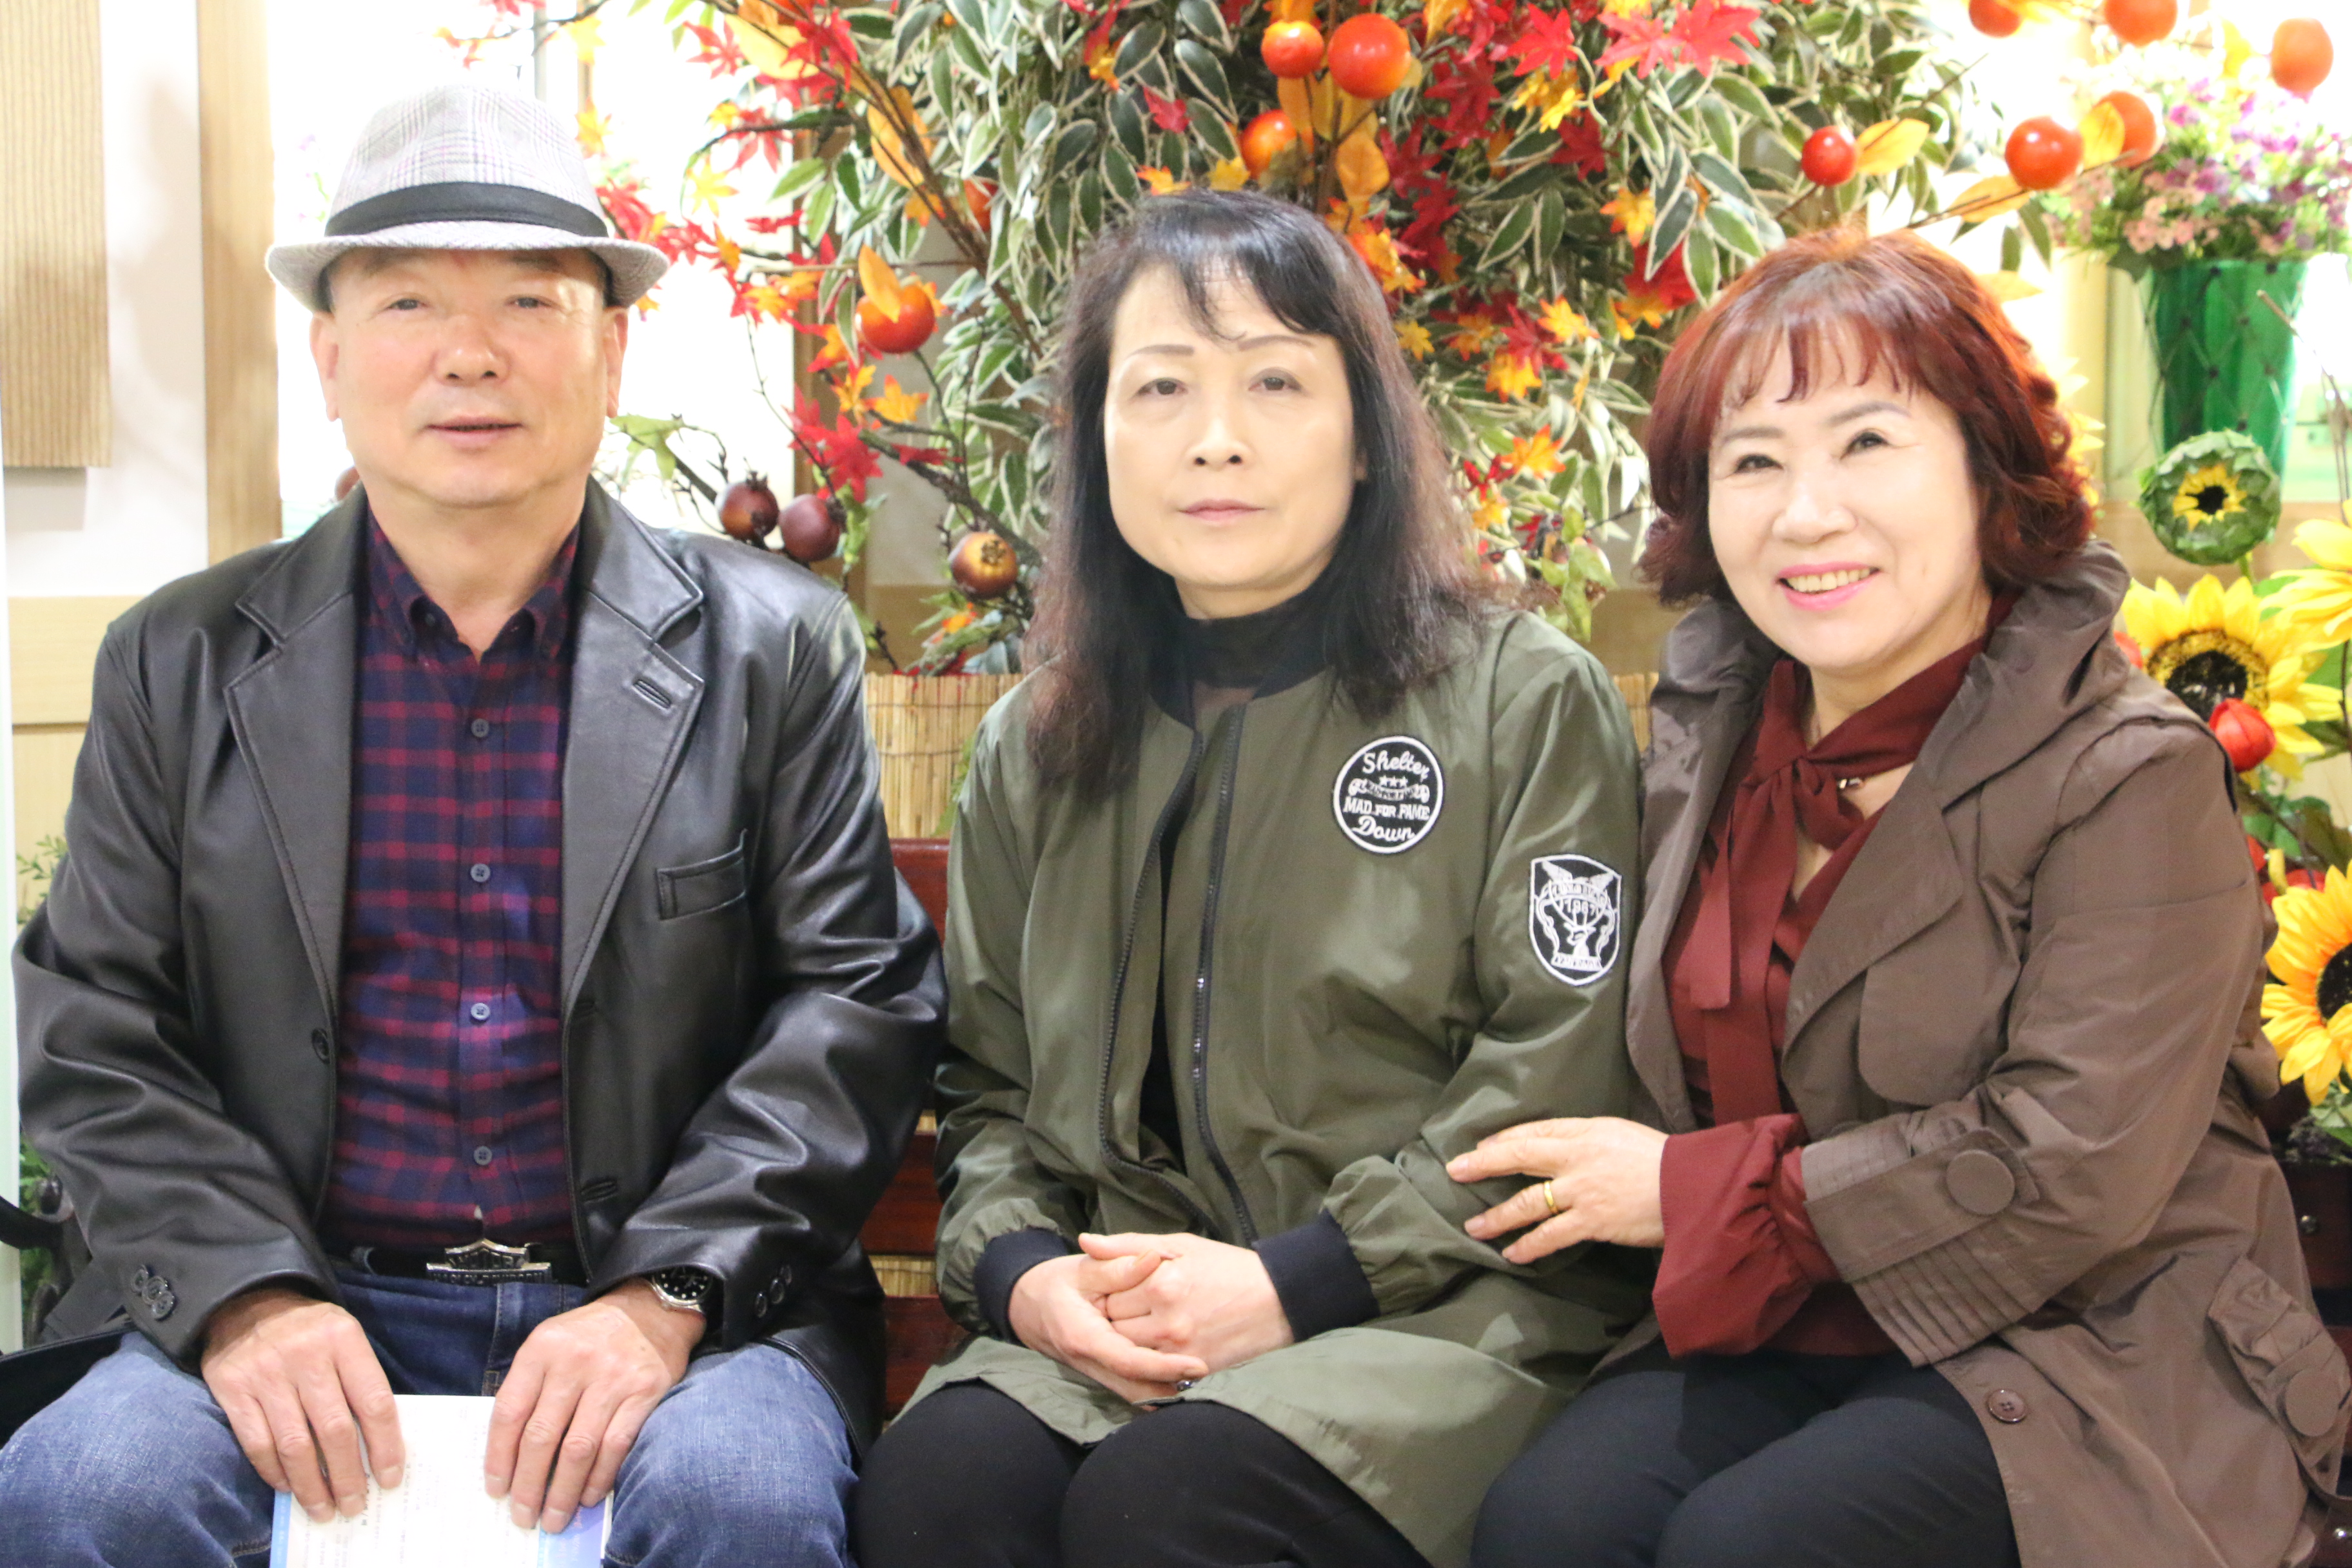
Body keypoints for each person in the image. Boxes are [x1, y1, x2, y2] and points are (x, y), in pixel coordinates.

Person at [0, 83, 942, 1567]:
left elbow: (854, 1001)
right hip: (296, 1284)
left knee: (744, 1502)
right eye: (408, 302)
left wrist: (665, 1295)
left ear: (612, 350)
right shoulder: (176, 660)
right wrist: (247, 1294)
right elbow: (97, 1023)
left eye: (527, 300)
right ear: (328, 358)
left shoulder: (774, 646)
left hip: (675, 1299)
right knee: (84, 1493)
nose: (470, 353)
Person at [1456, 227, 2348, 1568]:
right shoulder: (1712, 727)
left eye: (1868, 442)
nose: (1808, 514)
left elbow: (2071, 1162)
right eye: (1754, 461)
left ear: (1989, 467)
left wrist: (1693, 1193)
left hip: (2095, 1337)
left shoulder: (2132, 772)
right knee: (1548, 1524)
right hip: (1778, 1317)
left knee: (1757, 1545)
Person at [849, 190, 1647, 1568]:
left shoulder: (1520, 700)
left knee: (1169, 1502)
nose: (1215, 437)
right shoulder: (1038, 742)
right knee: (941, 1489)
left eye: (1276, 381)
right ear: (1098, 439)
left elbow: (1552, 1080)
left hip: (1445, 1315)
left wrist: (1296, 1282)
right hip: (1127, 1305)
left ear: (1366, 436)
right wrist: (1025, 1279)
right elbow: (989, 1088)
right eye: (1161, 387)